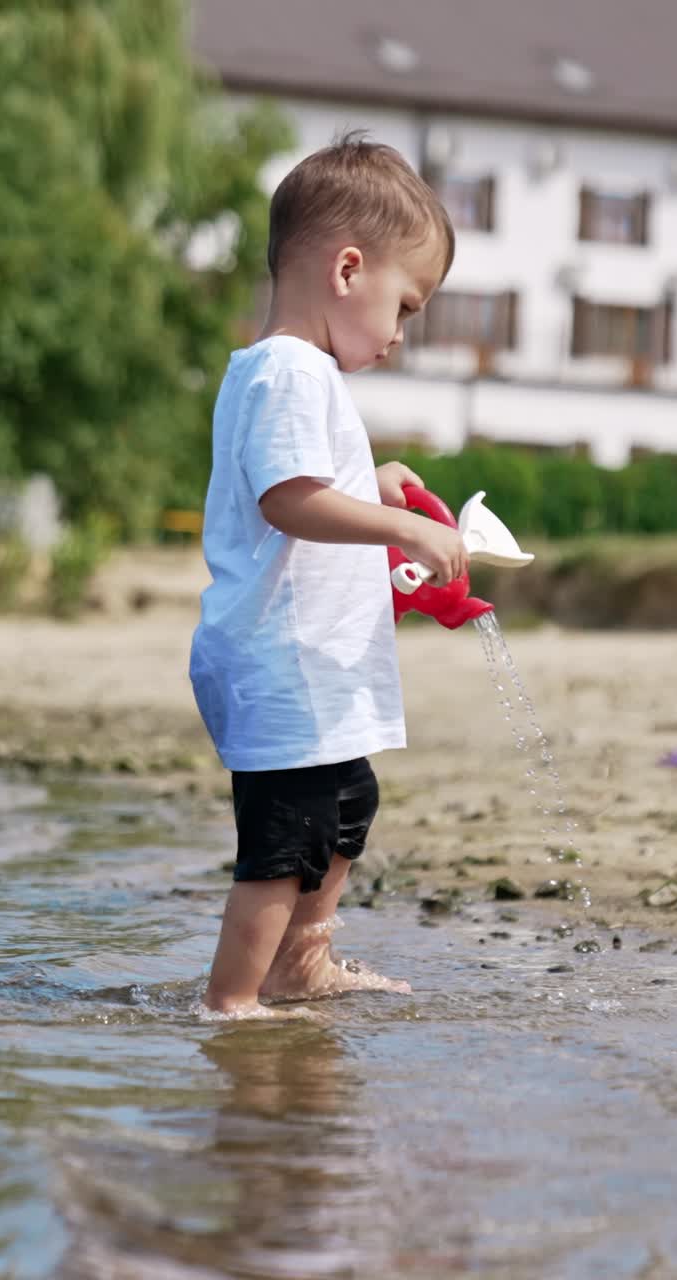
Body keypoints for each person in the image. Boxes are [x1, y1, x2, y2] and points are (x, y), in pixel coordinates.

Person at [189, 132, 469, 1016]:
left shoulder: (299, 373)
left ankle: (300, 967)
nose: (399, 334)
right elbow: (286, 500)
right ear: (349, 269)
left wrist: (374, 487)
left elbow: (310, 485)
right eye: (406, 306)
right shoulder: (286, 370)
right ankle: (231, 1004)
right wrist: (391, 523)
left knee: (347, 805)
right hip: (281, 666)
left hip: (309, 667)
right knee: (281, 846)